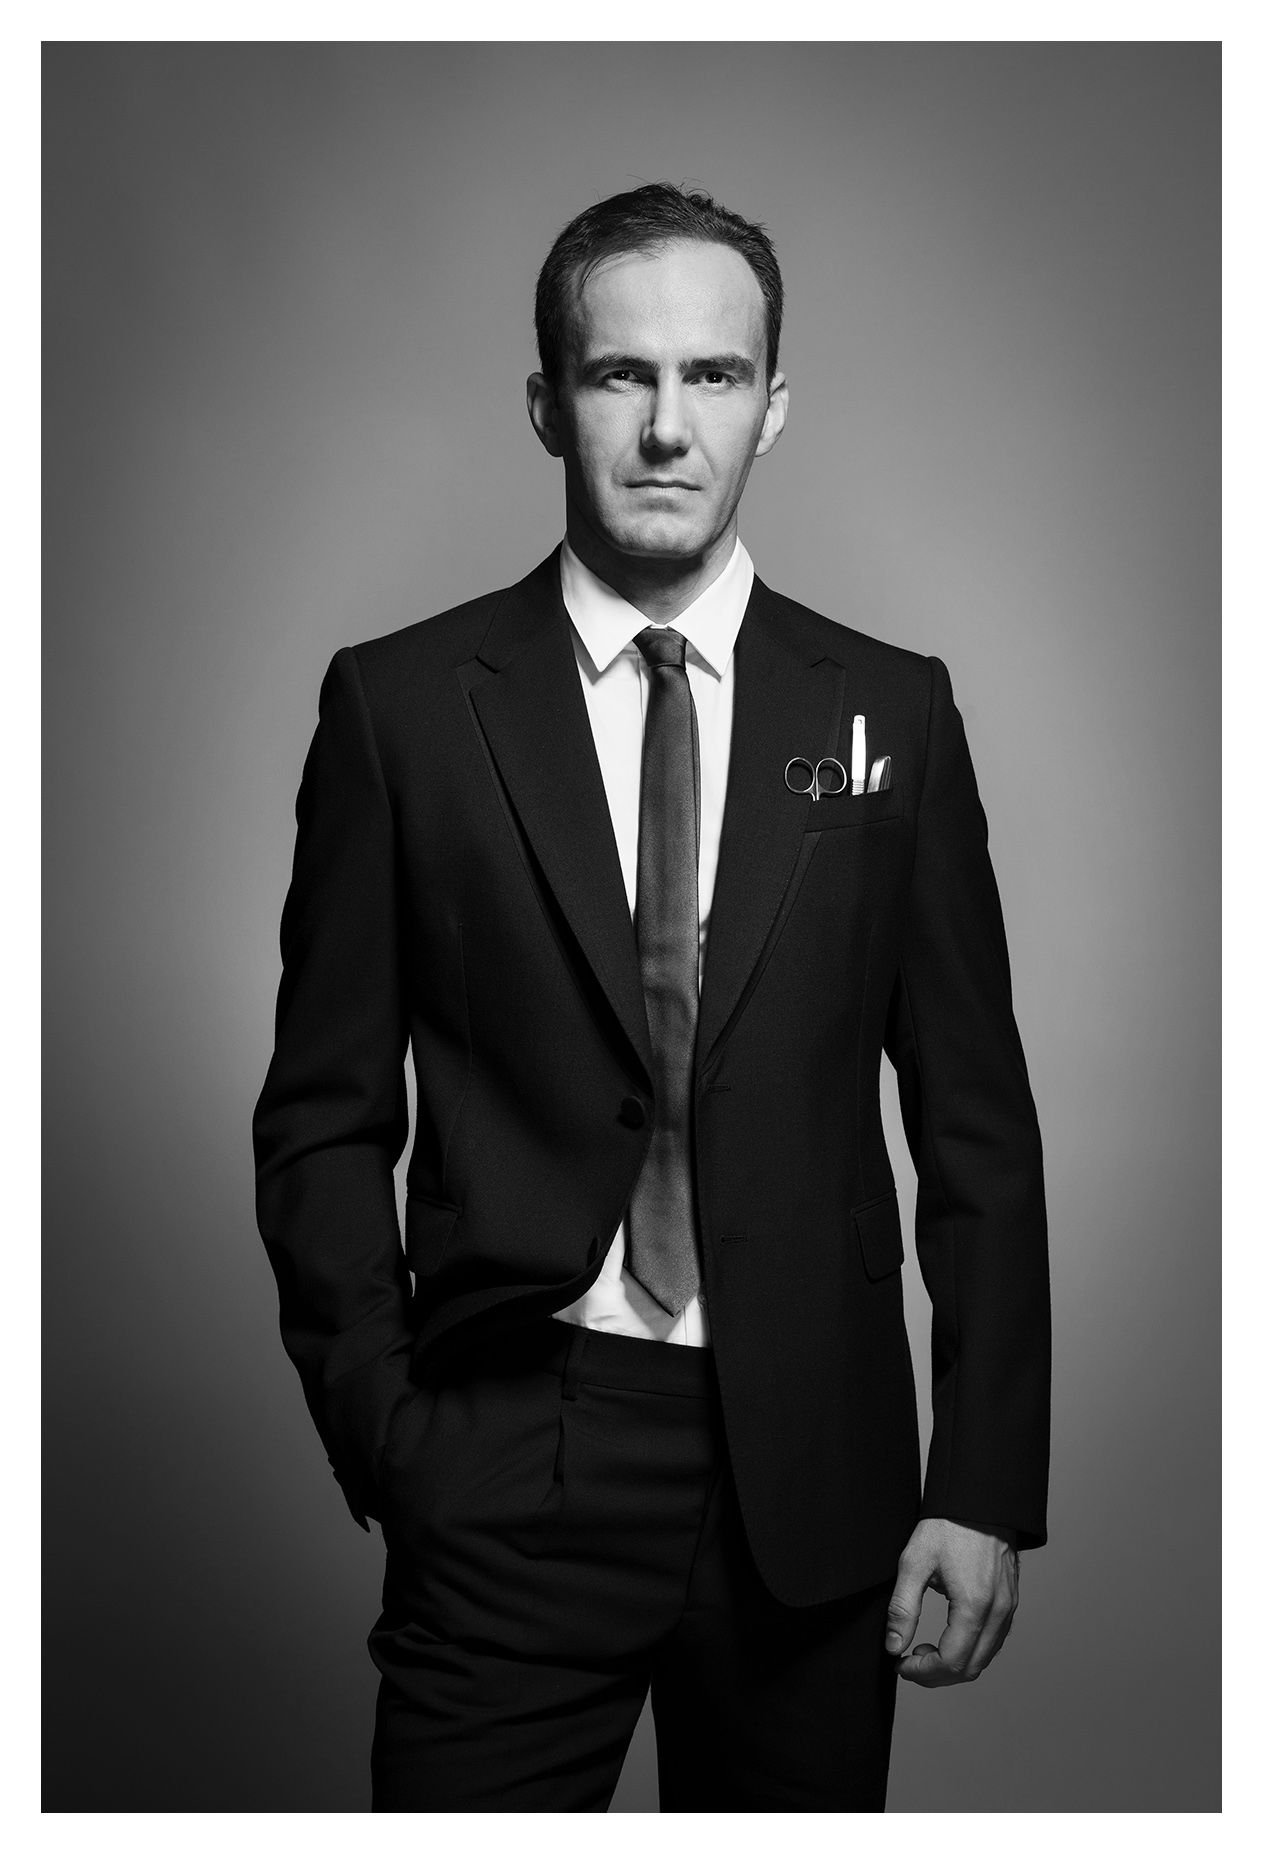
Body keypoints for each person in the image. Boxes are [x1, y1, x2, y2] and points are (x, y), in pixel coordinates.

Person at [253, 182, 1051, 1812]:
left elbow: (977, 1126)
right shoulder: (403, 709)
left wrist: (981, 1484)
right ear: (549, 401)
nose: (670, 427)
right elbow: (323, 1116)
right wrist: (390, 1433)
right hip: (510, 1448)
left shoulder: (892, 712)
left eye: (714, 376)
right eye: (623, 374)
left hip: (812, 1470)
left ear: (775, 404)